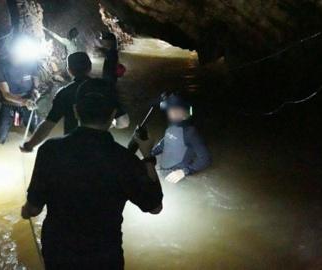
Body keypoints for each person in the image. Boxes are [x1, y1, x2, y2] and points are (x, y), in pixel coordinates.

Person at [21, 78, 163, 270]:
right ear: (113, 114)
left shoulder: (50, 150)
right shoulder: (124, 160)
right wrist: (147, 157)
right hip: (104, 256)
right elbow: (154, 207)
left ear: (76, 111)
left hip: (59, 253)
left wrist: (26, 209)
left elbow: (33, 209)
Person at [20, 52, 129, 152]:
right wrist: (111, 123)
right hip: (101, 149)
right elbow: (124, 123)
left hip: (72, 148)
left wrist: (30, 145)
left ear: (69, 70)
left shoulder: (64, 93)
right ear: (90, 67)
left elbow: (48, 124)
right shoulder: (104, 89)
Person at [0, 47, 52, 144]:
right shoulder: (1, 66)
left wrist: (35, 90)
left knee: (39, 133)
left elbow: (35, 77)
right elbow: (6, 94)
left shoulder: (30, 62)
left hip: (28, 99)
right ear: (10, 53)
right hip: (9, 102)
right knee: (0, 137)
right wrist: (23, 102)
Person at [151, 93, 211, 184]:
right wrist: (150, 153)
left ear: (185, 112)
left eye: (174, 110)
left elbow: (206, 159)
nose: (170, 112)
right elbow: (165, 141)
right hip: (164, 169)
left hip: (179, 175)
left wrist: (184, 172)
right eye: (169, 110)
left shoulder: (191, 133)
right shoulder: (172, 125)